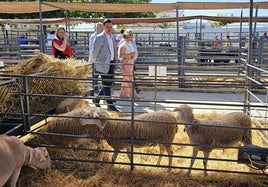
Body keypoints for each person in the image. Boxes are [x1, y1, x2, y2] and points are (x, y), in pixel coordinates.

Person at [91, 19, 119, 112]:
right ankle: (110, 105)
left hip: (111, 63)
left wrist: (115, 61)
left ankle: (97, 99)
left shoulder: (112, 37)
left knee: (108, 83)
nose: (109, 28)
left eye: (111, 27)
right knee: (106, 85)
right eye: (107, 27)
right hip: (103, 64)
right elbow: (94, 52)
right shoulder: (99, 37)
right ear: (104, 27)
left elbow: (113, 50)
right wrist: (95, 64)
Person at [118, 30, 138, 99]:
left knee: (128, 78)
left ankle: (123, 94)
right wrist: (131, 54)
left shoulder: (128, 44)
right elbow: (121, 55)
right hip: (126, 63)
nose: (131, 38)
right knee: (128, 78)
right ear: (126, 37)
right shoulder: (123, 45)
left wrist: (132, 56)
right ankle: (132, 94)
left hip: (129, 62)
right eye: (129, 36)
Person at [89, 22, 104, 94]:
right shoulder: (93, 36)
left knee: (103, 76)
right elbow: (92, 49)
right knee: (95, 76)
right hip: (95, 59)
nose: (102, 29)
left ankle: (101, 90)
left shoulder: (103, 36)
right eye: (101, 28)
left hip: (102, 60)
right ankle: (95, 89)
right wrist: (92, 59)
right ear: (97, 28)